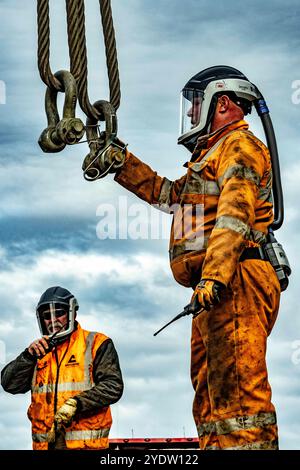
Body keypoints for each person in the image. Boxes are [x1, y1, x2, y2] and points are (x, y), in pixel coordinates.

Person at [82, 65, 282, 450]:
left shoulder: (239, 146)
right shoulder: (209, 158)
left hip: (233, 282)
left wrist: (216, 277)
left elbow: (234, 214)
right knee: (212, 399)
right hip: (215, 291)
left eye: (195, 104)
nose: (191, 113)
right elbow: (172, 198)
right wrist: (122, 163)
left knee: (238, 398)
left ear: (222, 103)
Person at [1, 286, 124, 450]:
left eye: (59, 313)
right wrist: (28, 356)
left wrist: (77, 403)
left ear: (72, 313)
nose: (53, 320)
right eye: (47, 316)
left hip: (85, 448)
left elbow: (113, 386)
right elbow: (9, 384)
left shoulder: (96, 343)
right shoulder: (38, 353)